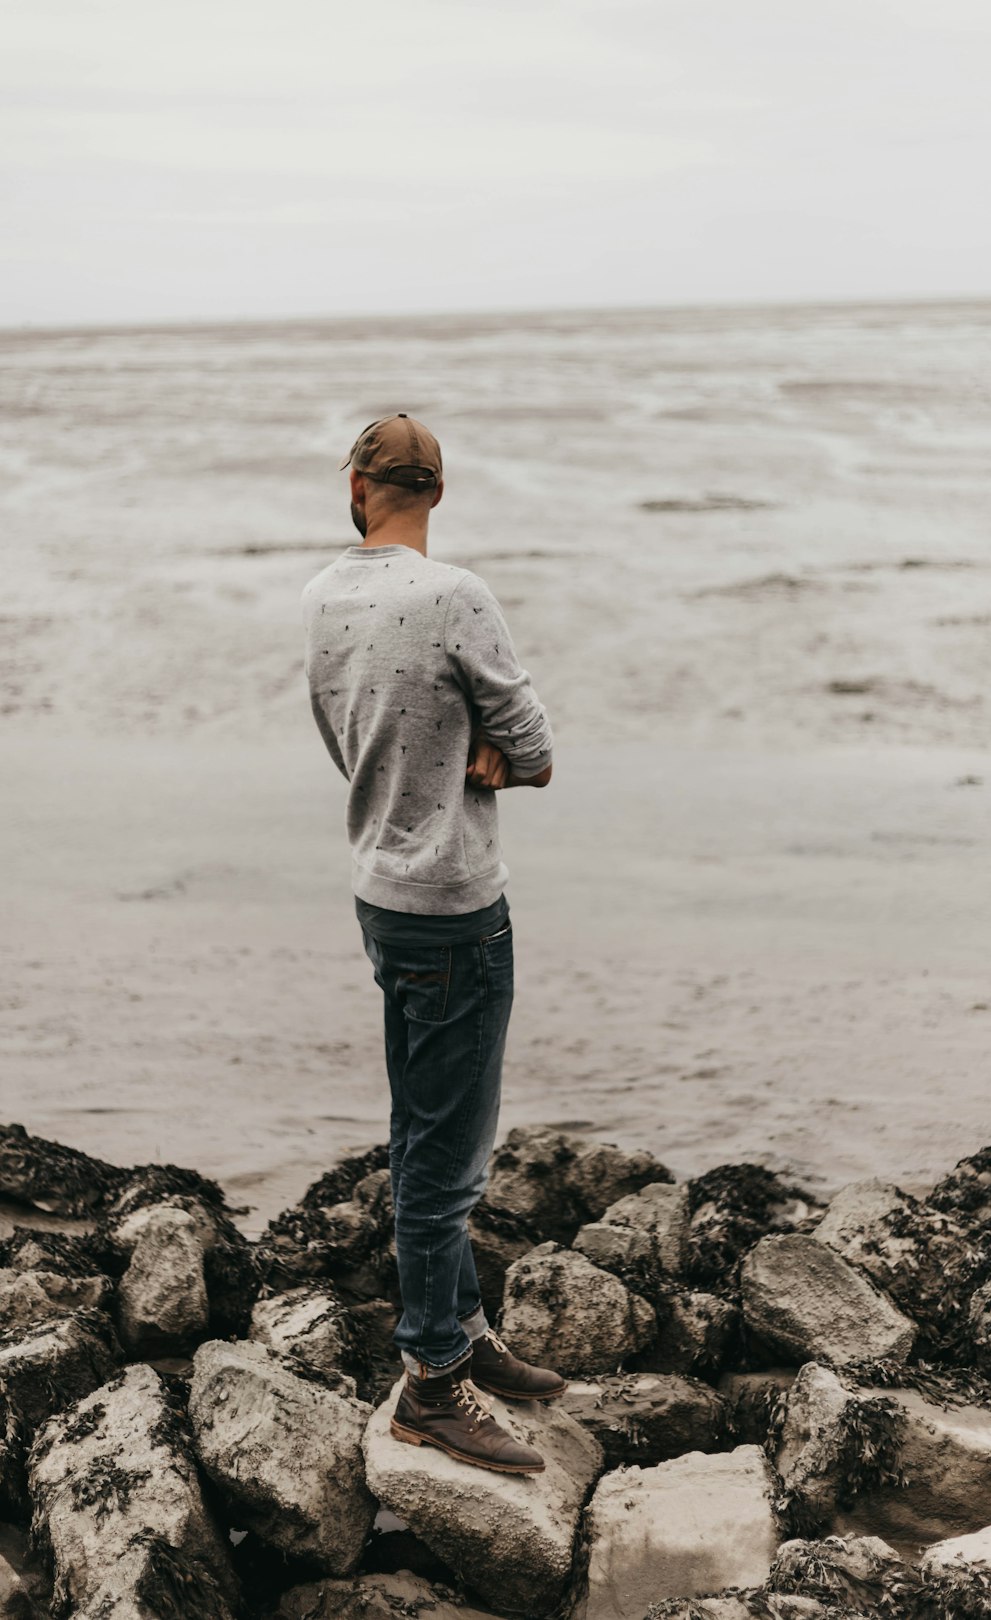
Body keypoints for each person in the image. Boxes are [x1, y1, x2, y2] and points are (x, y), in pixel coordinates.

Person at [300, 413, 565, 1475]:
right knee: (450, 1153)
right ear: (437, 493)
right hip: (456, 902)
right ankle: (433, 1379)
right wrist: (490, 759)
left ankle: (460, 1326)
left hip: (379, 888)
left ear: (356, 487)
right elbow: (538, 749)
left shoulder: (321, 596)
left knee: (420, 1122)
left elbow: (350, 735)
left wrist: (437, 762)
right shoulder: (455, 594)